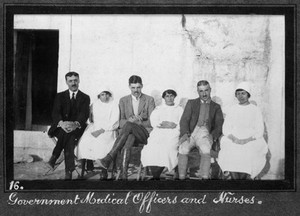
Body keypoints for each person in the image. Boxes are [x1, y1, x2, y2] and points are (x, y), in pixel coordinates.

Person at [96, 75, 155, 180]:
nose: (136, 90)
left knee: (129, 126)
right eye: (133, 87)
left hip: (143, 134)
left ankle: (109, 157)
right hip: (128, 134)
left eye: (138, 87)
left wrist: (138, 122)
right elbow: (120, 121)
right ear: (129, 87)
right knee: (129, 138)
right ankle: (123, 175)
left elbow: (153, 121)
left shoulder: (149, 100)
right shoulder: (123, 100)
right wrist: (129, 121)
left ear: (142, 86)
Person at [218, 82, 268, 179]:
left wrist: (247, 140)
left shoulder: (255, 110)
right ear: (236, 95)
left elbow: (259, 130)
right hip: (234, 136)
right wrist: (234, 138)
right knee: (229, 147)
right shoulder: (232, 109)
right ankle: (235, 179)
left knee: (249, 149)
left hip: (251, 138)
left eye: (243, 93)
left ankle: (245, 179)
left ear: (248, 94)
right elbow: (226, 128)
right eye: (238, 93)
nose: (241, 96)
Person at [47, 72, 90, 180]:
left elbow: (84, 114)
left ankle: (54, 157)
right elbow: (55, 113)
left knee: (68, 135)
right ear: (66, 82)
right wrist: (62, 123)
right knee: (67, 135)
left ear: (79, 80)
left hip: (77, 127)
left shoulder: (85, 97)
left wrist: (75, 124)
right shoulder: (60, 96)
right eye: (70, 81)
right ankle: (69, 170)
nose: (73, 83)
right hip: (60, 127)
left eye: (75, 80)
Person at [178, 80, 224, 180]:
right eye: (201, 91)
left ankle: (204, 178)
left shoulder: (216, 107)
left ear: (210, 90)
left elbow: (219, 125)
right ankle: (181, 179)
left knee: (206, 149)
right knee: (183, 149)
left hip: (205, 133)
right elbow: (184, 120)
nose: (204, 93)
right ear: (198, 92)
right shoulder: (191, 103)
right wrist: (185, 134)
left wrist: (213, 136)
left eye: (206, 90)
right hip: (191, 133)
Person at [75, 88, 119, 177]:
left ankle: (104, 169)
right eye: (102, 94)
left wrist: (101, 130)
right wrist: (95, 128)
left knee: (102, 143)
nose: (105, 97)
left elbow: (114, 121)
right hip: (95, 127)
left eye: (107, 94)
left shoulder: (113, 104)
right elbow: (92, 120)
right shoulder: (95, 104)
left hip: (108, 129)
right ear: (99, 95)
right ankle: (88, 162)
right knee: (85, 141)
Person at [140, 89, 183, 180]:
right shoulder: (159, 108)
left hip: (173, 132)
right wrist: (163, 124)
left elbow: (182, 123)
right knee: (152, 148)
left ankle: (159, 173)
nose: (170, 98)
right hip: (159, 132)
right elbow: (154, 122)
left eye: (171, 96)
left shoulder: (179, 109)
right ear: (164, 98)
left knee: (168, 148)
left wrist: (174, 125)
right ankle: (155, 175)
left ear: (174, 97)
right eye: (167, 96)